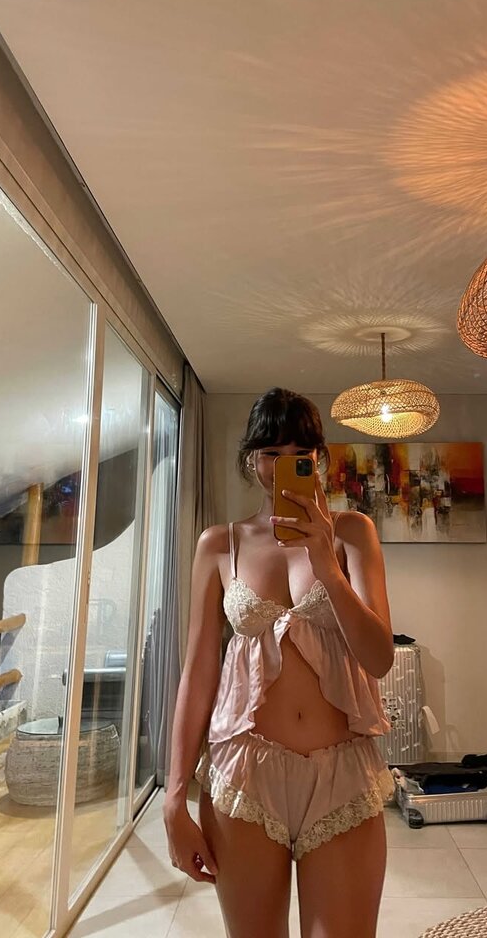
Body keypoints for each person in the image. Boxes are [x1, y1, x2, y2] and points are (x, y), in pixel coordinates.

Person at [164, 388, 395, 938]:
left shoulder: (352, 532)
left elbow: (379, 657)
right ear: (252, 459)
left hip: (341, 772)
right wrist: (174, 798)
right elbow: (199, 671)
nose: (283, 464)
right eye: (271, 452)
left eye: (300, 452)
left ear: (319, 458)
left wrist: (327, 567)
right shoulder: (219, 544)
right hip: (244, 771)